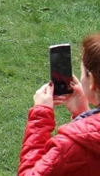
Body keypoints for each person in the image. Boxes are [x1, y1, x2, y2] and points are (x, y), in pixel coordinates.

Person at [19, 32, 100, 174]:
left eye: (82, 72)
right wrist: (83, 113)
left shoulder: (69, 146)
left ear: (92, 81)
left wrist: (40, 117)